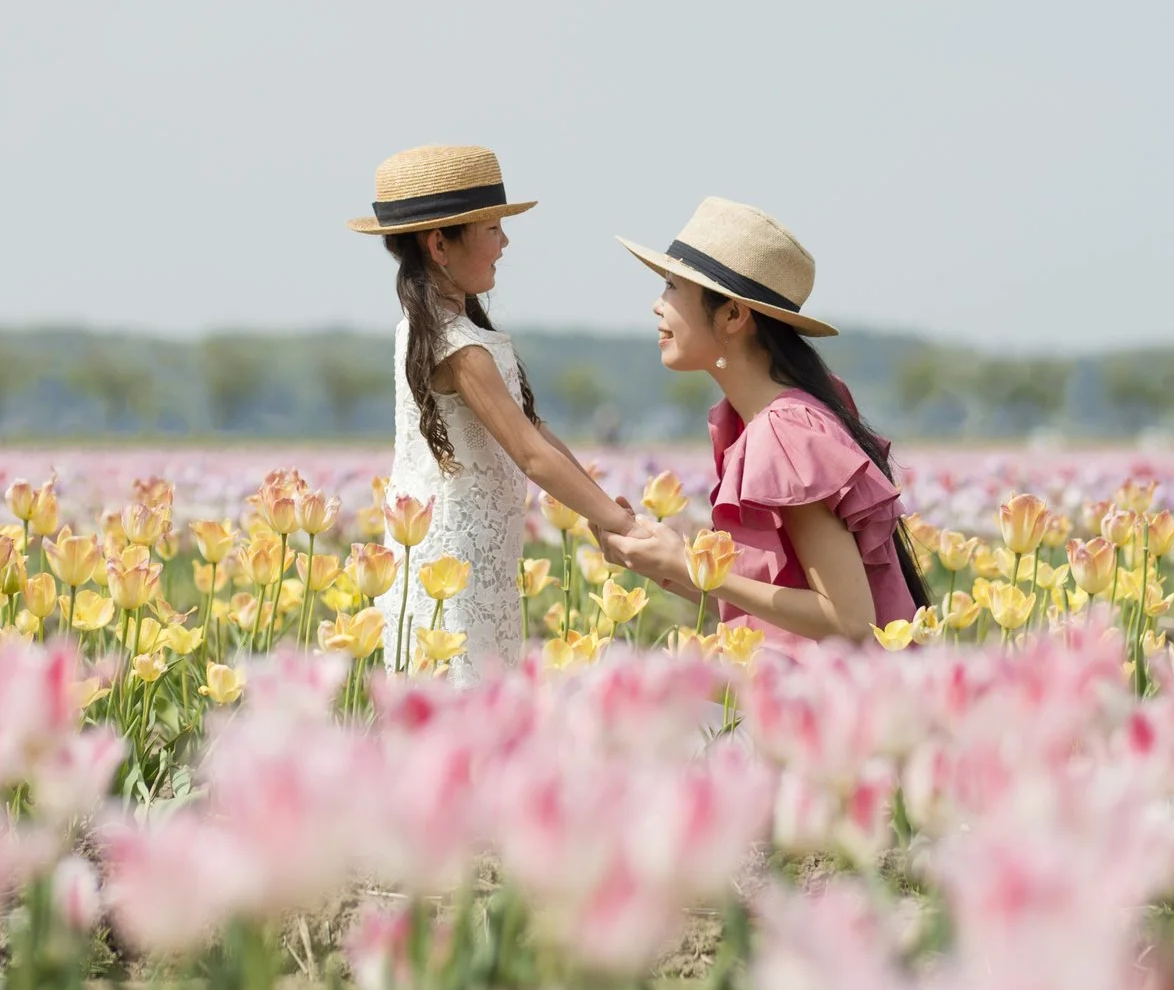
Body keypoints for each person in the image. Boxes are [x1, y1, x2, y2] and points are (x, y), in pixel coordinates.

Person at [351, 144, 633, 675]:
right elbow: (530, 455)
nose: (505, 242)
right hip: (454, 565)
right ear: (440, 244)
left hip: (475, 558)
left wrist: (600, 512)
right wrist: (618, 520)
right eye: (492, 229)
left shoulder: (440, 329)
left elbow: (536, 432)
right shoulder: (457, 347)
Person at [603, 197, 929, 644]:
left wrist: (687, 564)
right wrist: (656, 562)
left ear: (734, 314)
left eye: (672, 287)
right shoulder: (754, 421)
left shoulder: (785, 431)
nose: (657, 306)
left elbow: (849, 621)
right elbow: (778, 602)